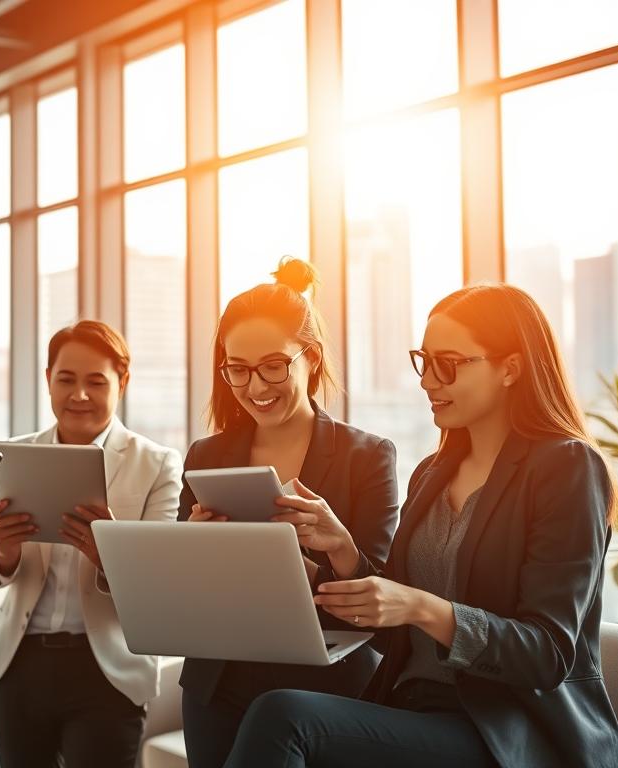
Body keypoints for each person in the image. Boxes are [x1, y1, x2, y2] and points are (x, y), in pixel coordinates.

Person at [222, 283, 618, 767]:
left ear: (510, 369)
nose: (428, 381)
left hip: (507, 731)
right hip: (415, 713)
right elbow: (397, 633)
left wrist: (419, 605)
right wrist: (341, 554)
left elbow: (546, 654)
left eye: (448, 364)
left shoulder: (567, 468)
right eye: (424, 360)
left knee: (284, 715)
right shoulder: (433, 473)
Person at [180, 257, 399, 767]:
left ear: (312, 358)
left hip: (327, 688)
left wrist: (330, 555)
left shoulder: (366, 456)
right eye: (237, 369)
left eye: (274, 366)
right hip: (219, 681)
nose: (256, 387)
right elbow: (186, 593)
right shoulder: (205, 456)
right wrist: (193, 549)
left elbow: (385, 596)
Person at [0, 320, 183, 768]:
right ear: (47, 379)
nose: (80, 395)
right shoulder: (10, 455)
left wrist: (108, 555)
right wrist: (5, 551)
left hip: (109, 670)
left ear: (122, 383)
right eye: (66, 380)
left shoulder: (158, 465)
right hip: (20, 662)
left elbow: (160, 586)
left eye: (97, 382)